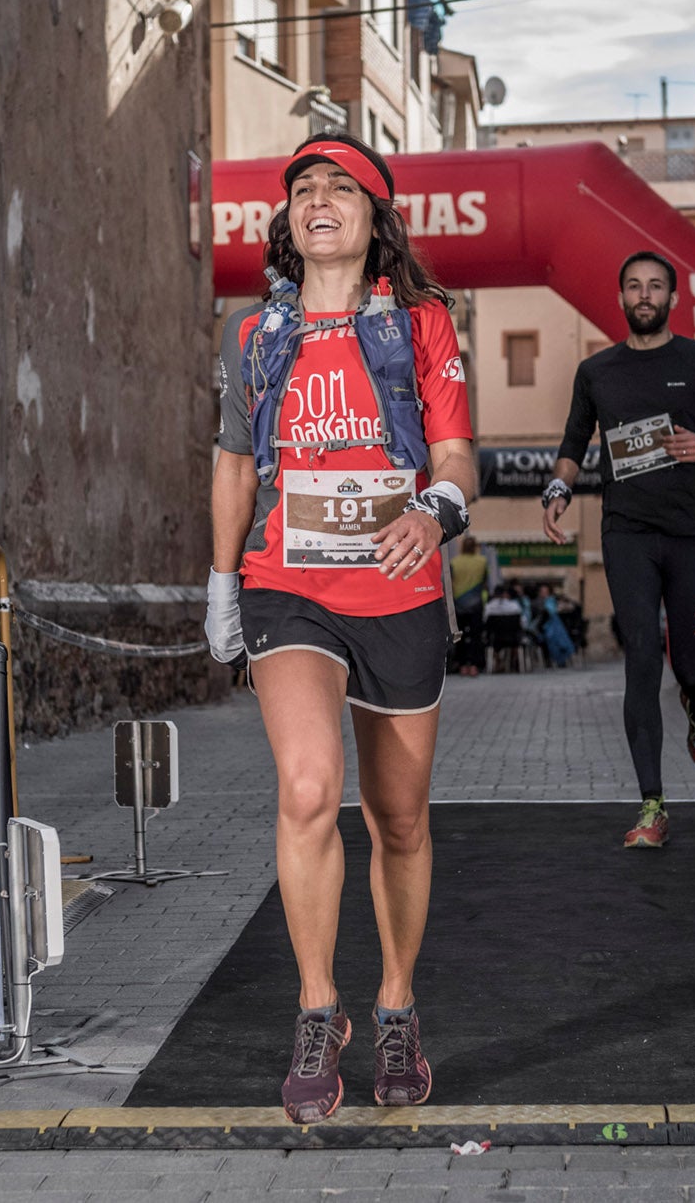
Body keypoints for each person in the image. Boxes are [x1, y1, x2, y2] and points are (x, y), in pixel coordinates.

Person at [204, 132, 474, 1124]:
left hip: (398, 590)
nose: (319, 197)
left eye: (340, 186)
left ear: (373, 217)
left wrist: (431, 515)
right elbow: (234, 467)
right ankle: (318, 1008)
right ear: (287, 221)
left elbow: (456, 458)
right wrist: (220, 582)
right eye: (302, 186)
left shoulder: (423, 324)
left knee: (396, 817)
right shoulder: (251, 336)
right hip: (290, 587)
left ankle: (394, 1002)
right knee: (308, 788)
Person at [541, 250, 695, 848]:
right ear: (620, 297)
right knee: (641, 654)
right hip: (627, 532)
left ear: (672, 298)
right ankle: (652, 806)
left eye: (655, 286)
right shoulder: (596, 372)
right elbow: (573, 441)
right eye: (633, 285)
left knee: (689, 665)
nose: (644, 295)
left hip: (691, 534)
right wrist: (558, 490)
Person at [448, 536, 489, 676]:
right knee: (476, 636)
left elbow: (450, 582)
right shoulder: (482, 561)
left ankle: (462, 665)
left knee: (460, 636)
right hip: (476, 603)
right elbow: (485, 581)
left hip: (458, 603)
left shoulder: (454, 562)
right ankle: (474, 665)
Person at [535, 582, 576, 668]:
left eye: (546, 592)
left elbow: (570, 606)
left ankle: (560, 654)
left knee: (555, 628)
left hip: (552, 627)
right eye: (542, 591)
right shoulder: (538, 602)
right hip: (541, 628)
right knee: (554, 631)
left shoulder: (553, 600)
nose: (544, 593)